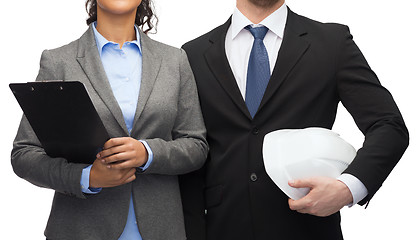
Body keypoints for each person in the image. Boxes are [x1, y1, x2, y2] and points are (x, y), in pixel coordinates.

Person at [179, 0, 409, 239]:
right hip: (223, 228)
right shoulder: (192, 55)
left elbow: (388, 125)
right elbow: (191, 155)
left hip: (309, 228)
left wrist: (347, 188)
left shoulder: (332, 43)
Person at [11, 0, 208, 239]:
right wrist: (87, 177)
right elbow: (24, 154)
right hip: (81, 229)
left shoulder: (175, 60)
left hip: (160, 229)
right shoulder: (58, 61)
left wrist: (148, 153)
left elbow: (196, 146)